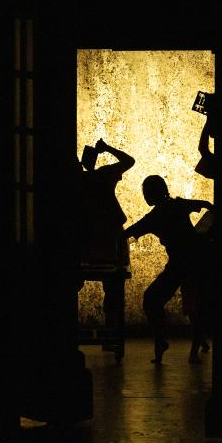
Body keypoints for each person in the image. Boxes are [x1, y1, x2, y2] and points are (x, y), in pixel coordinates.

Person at [124, 175, 212, 364]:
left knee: (154, 300)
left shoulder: (155, 216)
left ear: (153, 193)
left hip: (183, 265)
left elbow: (129, 232)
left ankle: (164, 341)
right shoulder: (178, 204)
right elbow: (206, 204)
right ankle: (196, 346)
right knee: (193, 305)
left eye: (146, 192)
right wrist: (207, 231)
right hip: (194, 260)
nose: (144, 196)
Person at [78, 139, 135, 328]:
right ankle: (112, 330)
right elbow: (129, 161)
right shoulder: (103, 176)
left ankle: (110, 329)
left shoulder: (80, 183)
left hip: (89, 244)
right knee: (114, 286)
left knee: (111, 285)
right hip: (111, 239)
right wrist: (107, 148)